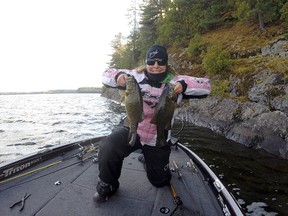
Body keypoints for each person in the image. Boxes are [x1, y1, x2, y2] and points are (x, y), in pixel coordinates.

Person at [93, 45, 211, 202]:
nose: (156, 66)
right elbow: (106, 74)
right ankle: (107, 184)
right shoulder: (134, 77)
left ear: (166, 63)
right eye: (152, 62)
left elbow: (206, 86)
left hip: (158, 135)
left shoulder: (174, 82)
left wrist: (184, 86)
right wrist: (118, 77)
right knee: (108, 146)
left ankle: (148, 160)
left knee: (160, 181)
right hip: (132, 126)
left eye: (160, 62)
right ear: (146, 62)